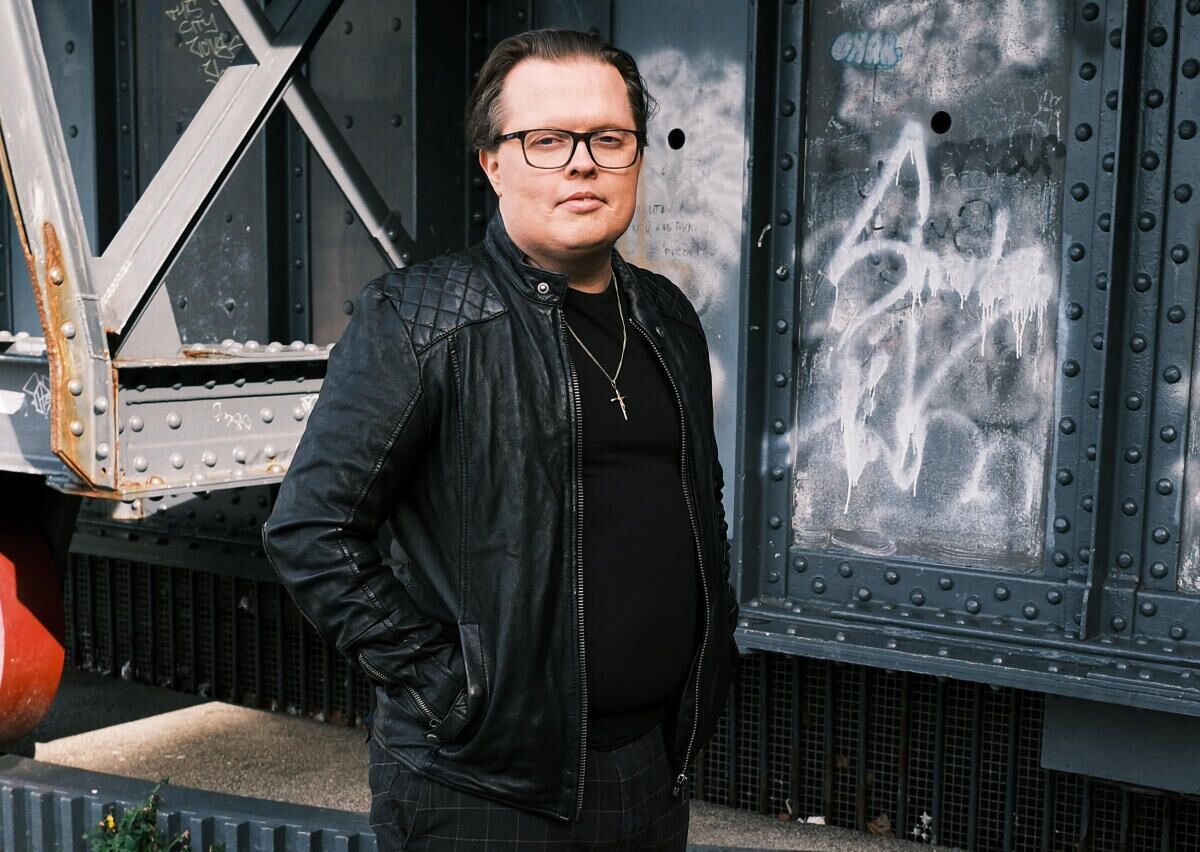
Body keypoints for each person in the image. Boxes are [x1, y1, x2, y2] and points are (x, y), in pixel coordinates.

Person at [262, 27, 738, 851]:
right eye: (547, 141)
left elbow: (698, 503)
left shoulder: (666, 317)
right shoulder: (419, 319)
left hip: (652, 768)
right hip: (482, 788)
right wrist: (451, 695)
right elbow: (312, 531)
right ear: (492, 163)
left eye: (609, 138)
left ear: (636, 157)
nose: (582, 164)